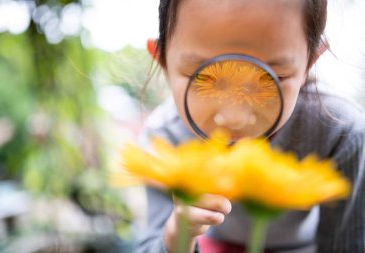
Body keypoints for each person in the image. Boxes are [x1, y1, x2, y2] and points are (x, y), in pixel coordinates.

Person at [136, 0, 365, 253]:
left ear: (311, 62)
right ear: (162, 59)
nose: (235, 118)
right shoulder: (164, 137)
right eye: (205, 77)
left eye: (271, 78)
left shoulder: (341, 134)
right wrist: (177, 234)